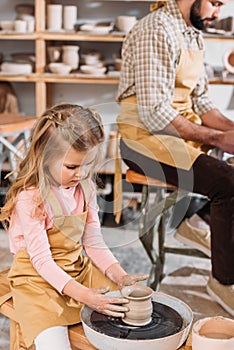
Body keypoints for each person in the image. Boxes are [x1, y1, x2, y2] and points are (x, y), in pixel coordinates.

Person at [116, 0, 234, 316]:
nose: (217, 13)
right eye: (215, 3)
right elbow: (154, 113)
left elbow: (203, 101)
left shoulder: (192, 32)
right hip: (144, 141)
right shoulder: (156, 29)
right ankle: (223, 282)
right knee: (229, 184)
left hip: (179, 132)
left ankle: (195, 220)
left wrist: (231, 130)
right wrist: (217, 138)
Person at [0, 103, 148, 350]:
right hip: (37, 279)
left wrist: (120, 276)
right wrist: (85, 296)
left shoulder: (85, 188)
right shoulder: (31, 197)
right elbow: (42, 261)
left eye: (89, 164)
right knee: (55, 345)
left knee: (124, 315)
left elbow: (93, 243)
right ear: (45, 156)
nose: (81, 174)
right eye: (72, 167)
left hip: (75, 267)